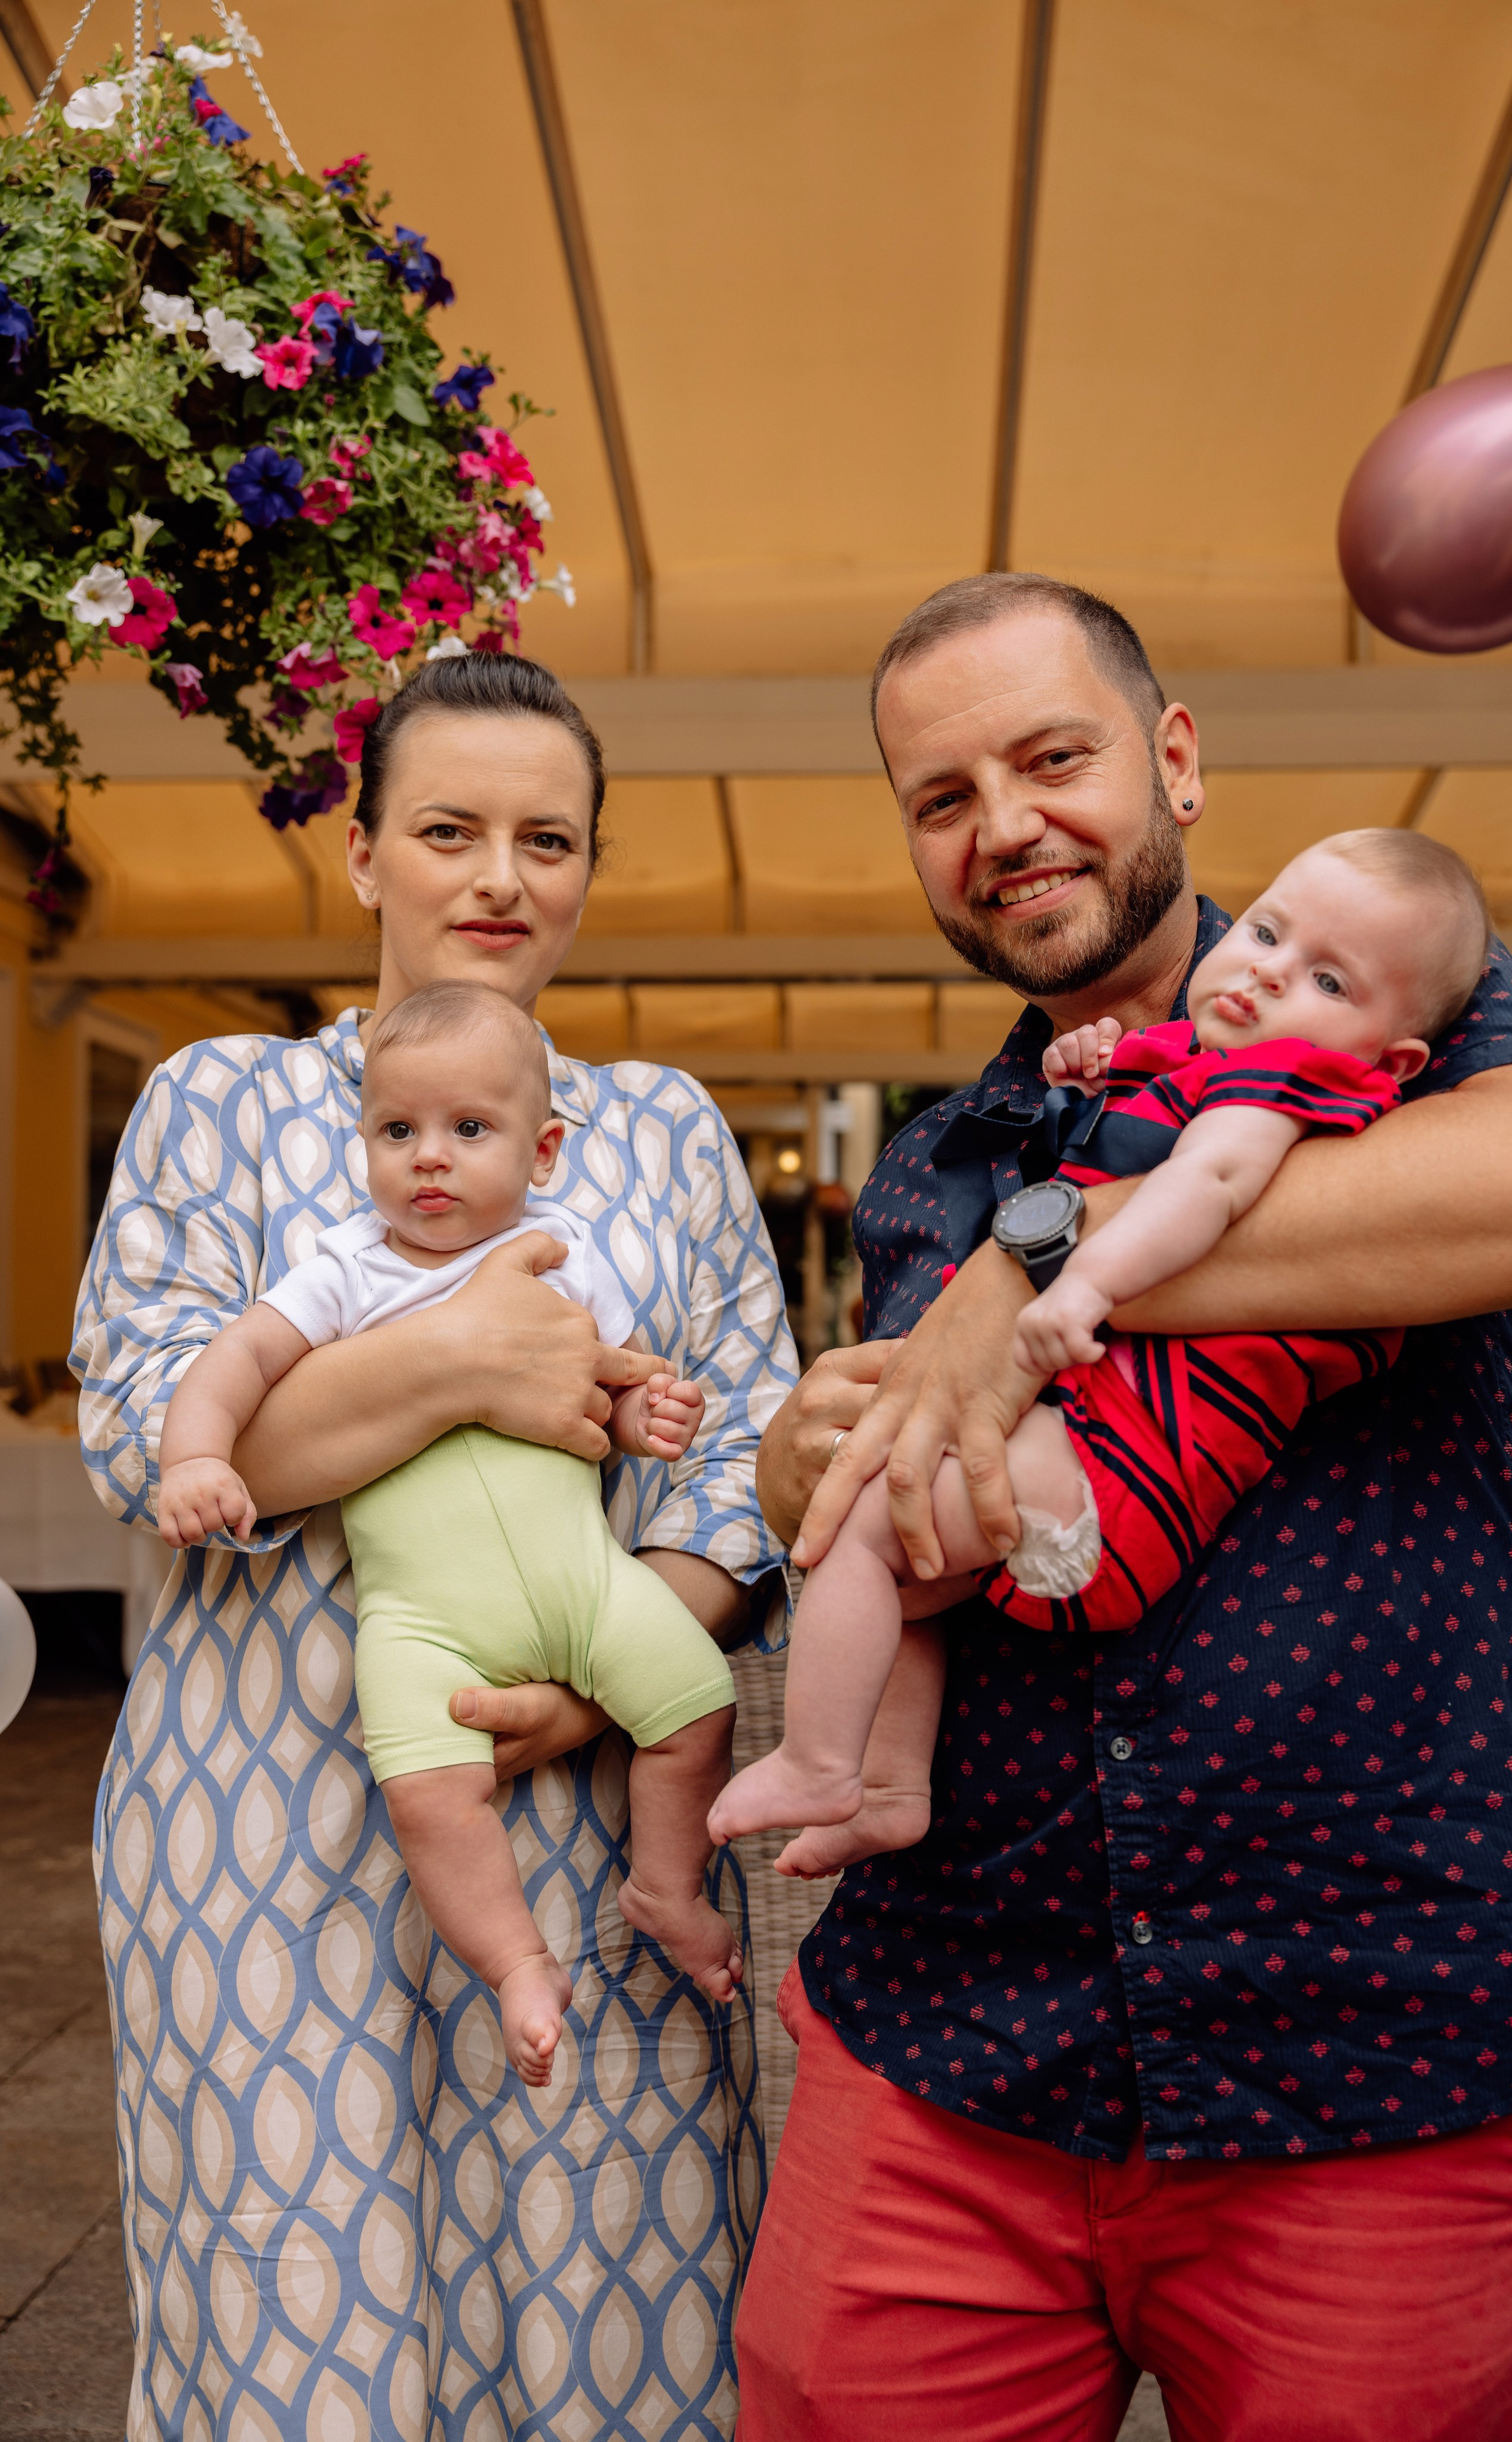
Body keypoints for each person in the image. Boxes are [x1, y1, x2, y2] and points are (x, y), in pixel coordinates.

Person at [735, 572, 1512, 2442]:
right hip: (949, 2046)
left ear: (1176, 758)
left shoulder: (1397, 993)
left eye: (1052, 757)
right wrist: (796, 1459)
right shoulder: (936, 1155)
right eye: (942, 795)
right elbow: (884, 1452)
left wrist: (1033, 1274)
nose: (1005, 826)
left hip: (1378, 2035)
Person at [74, 652, 798, 2442]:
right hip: (257, 1816)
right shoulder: (221, 1098)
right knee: (290, 2304)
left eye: (546, 839)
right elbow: (146, 1432)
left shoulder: (662, 1131)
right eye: (449, 828)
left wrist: (599, 1672)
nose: (499, 876)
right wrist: (458, 1358)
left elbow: (744, 1477)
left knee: (608, 2306)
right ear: (365, 851)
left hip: (579, 1819)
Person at [711, 830, 1485, 1875]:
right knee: (902, 1568)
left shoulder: (1286, 1090)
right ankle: (887, 1785)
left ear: (1390, 1056)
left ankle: (819, 1759)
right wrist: (1096, 1067)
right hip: (1107, 1477)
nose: (1266, 968)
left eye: (1327, 978)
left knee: (866, 1526)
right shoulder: (1210, 1066)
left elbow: (1202, 1187)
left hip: (1112, 1485)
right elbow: (1145, 1113)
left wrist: (1078, 1277)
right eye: (1265, 931)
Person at [156, 978, 743, 2084]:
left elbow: (604, 1389)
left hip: (586, 1582)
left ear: (543, 1151)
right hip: (422, 1619)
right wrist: (196, 1455)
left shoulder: (567, 1257)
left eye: (469, 1129)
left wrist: (643, 1415)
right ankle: (516, 1957)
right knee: (429, 1797)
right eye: (397, 1129)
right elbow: (232, 1360)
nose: (429, 1156)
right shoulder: (348, 1269)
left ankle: (667, 1882)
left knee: (695, 1708)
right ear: (364, 1141)